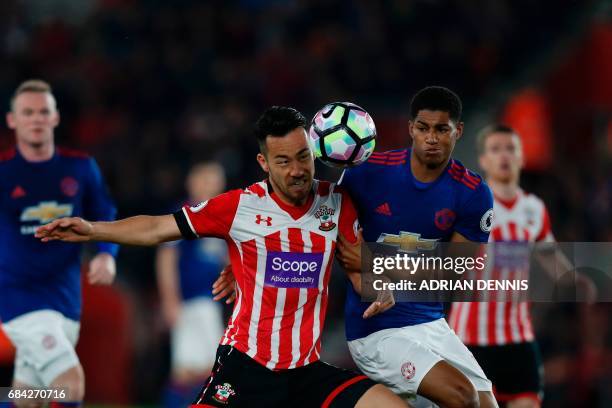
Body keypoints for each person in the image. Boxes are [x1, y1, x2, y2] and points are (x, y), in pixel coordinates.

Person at [37, 106, 409, 407]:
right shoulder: (239, 207)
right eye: (283, 161)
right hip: (247, 368)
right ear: (264, 163)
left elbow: (359, 271)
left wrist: (380, 287)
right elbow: (156, 228)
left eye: (302, 158)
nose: (296, 170)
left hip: (307, 371)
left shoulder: (337, 205)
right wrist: (93, 229)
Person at [335, 86, 498, 408]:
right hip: (377, 330)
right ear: (411, 128)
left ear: (458, 131)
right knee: (461, 397)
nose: (431, 138)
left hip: (430, 324)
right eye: (423, 128)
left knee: (486, 404)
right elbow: (342, 247)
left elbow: (456, 272)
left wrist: (379, 265)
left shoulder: (473, 194)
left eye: (442, 129)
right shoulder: (367, 173)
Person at [447, 124, 594, 408]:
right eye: (495, 149)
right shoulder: (468, 203)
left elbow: (549, 257)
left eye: (510, 148)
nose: (504, 155)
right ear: (483, 159)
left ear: (522, 157)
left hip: (516, 336)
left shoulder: (534, 210)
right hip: (469, 339)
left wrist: (577, 281)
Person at [0, 79, 118, 405]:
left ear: (55, 118)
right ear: (12, 120)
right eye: (28, 112)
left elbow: (103, 210)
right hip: (20, 300)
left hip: (66, 301)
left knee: (28, 397)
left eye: (43, 112)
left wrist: (106, 254)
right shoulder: (3, 174)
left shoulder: (80, 168)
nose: (36, 118)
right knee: (70, 385)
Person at [156, 162, 229, 407]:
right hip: (190, 302)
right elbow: (167, 257)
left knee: (201, 368)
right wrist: (169, 300)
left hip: (209, 303)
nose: (211, 186)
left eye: (215, 181)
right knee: (195, 369)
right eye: (206, 180)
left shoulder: (219, 218)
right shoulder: (184, 213)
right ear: (192, 182)